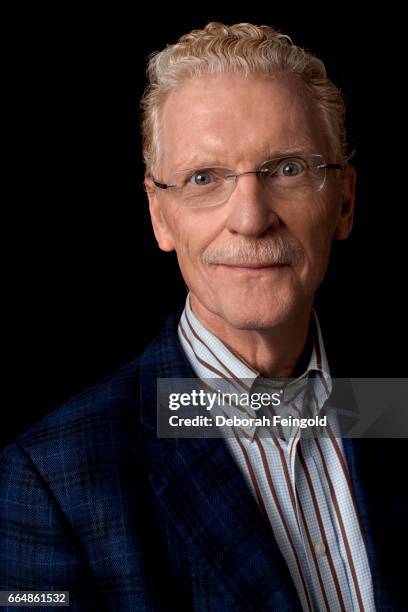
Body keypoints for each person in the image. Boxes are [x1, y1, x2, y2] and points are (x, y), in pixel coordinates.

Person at [0, 22, 406, 611]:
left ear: (343, 202)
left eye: (287, 168)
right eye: (203, 178)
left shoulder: (388, 407)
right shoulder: (51, 482)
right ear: (159, 215)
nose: (250, 217)